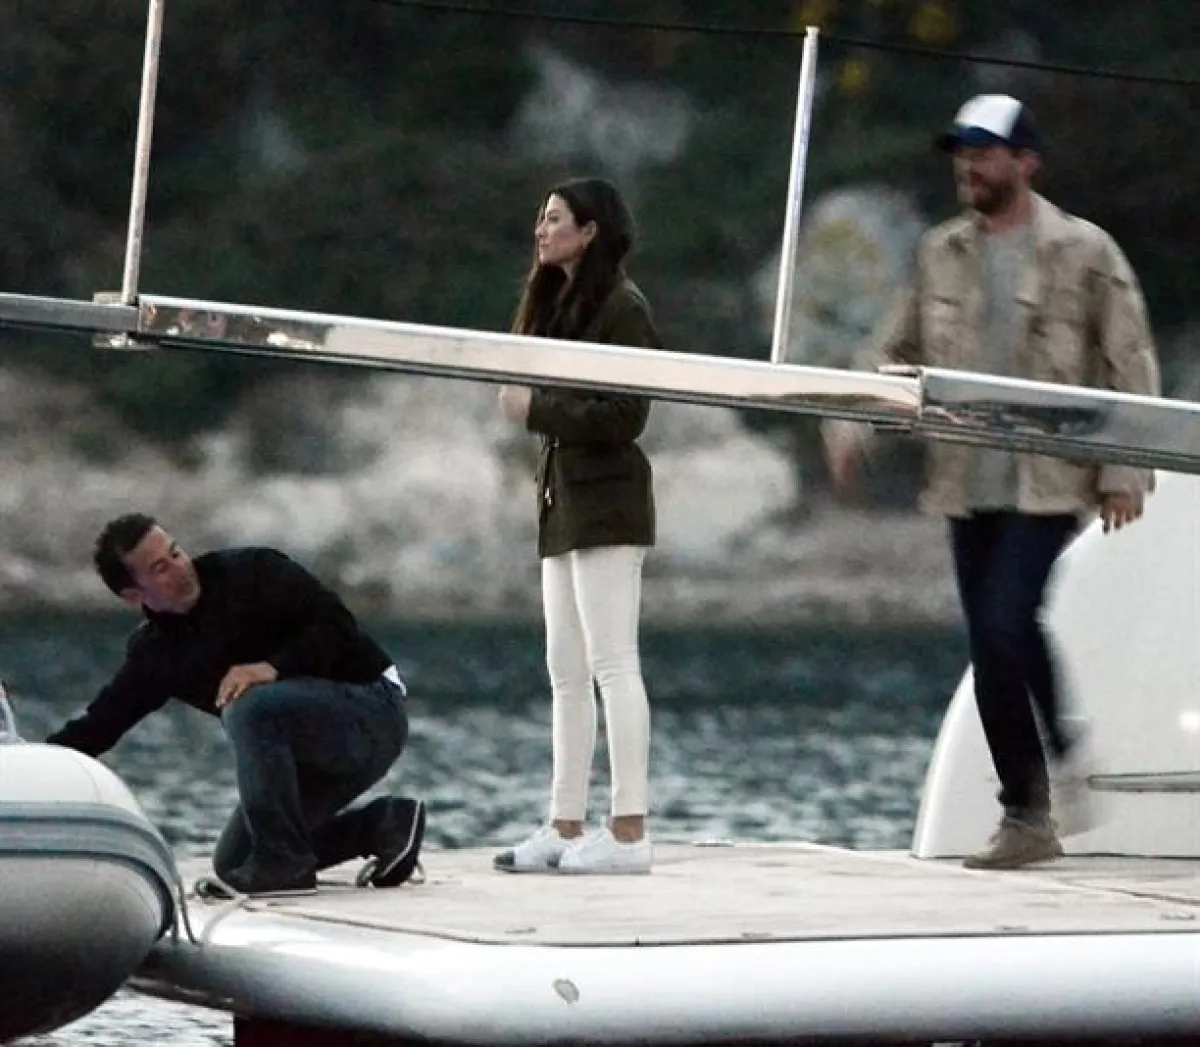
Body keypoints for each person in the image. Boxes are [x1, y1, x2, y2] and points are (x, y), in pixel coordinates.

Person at [824, 95, 1160, 870]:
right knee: (991, 643)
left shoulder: (1085, 251)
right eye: (962, 153)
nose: (968, 166)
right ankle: (1028, 816)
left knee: (1009, 619)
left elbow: (1130, 362)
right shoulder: (940, 252)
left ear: (1025, 161)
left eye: (984, 152)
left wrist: (1124, 471)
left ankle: (1063, 751)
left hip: (1049, 478)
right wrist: (849, 428)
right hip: (964, 477)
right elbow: (892, 348)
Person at [46, 513, 425, 896]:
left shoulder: (250, 572)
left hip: (372, 710)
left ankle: (283, 864)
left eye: (176, 552)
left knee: (249, 705)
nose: (181, 567)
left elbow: (338, 625)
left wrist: (273, 667)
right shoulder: (157, 653)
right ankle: (384, 826)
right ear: (134, 595)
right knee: (235, 863)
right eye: (161, 568)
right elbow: (100, 725)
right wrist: (26, 764)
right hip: (300, 757)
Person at [493, 177, 660, 875]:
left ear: (590, 231)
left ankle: (629, 830)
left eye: (555, 219)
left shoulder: (623, 306)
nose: (542, 229)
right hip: (561, 499)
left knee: (612, 662)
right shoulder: (554, 304)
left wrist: (535, 410)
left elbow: (627, 415)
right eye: (541, 218)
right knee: (564, 668)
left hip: (608, 502)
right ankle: (565, 823)